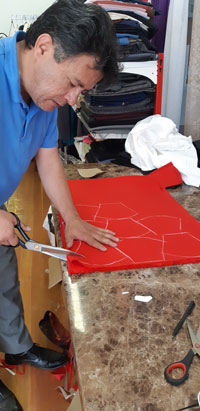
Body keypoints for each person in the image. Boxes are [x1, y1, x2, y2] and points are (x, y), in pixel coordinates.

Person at [0, 0, 119, 408]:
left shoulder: (43, 95)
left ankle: (16, 348)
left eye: (81, 91)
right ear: (44, 47)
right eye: (72, 84)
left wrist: (72, 219)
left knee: (4, 282)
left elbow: (48, 156)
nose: (72, 99)